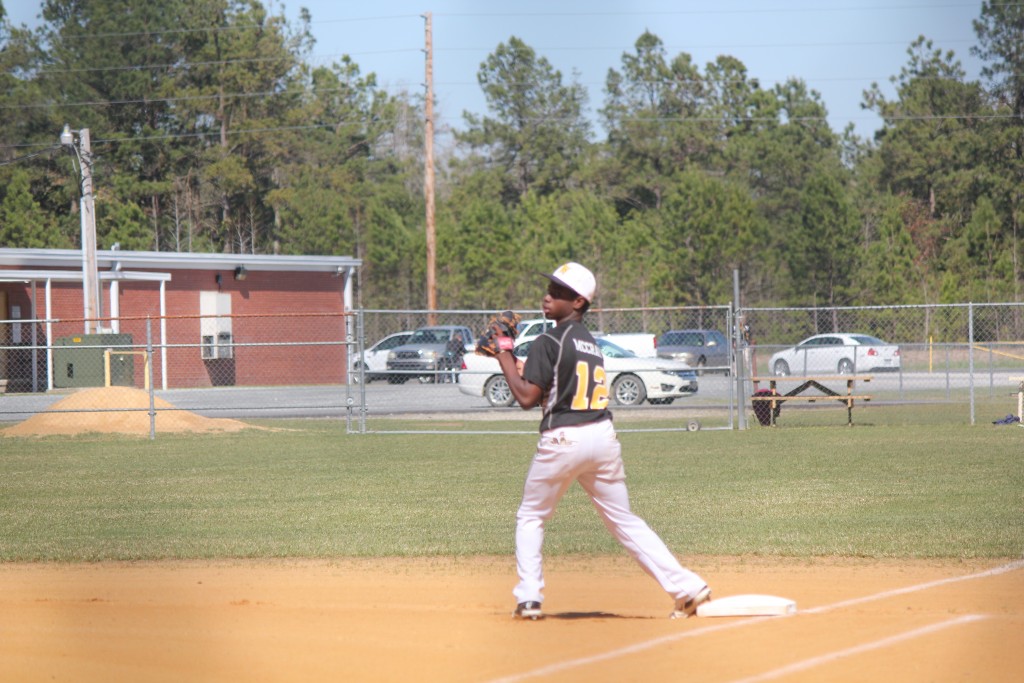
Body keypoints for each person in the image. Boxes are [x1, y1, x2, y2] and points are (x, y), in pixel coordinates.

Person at [491, 262, 711, 620]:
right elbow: (546, 379)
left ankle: (529, 598)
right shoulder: (589, 344)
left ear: (578, 302)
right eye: (550, 289)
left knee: (531, 515)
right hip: (603, 438)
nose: (548, 296)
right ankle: (687, 587)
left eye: (559, 293)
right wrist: (512, 356)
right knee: (624, 520)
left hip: (564, 439)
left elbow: (528, 397)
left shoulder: (549, 340)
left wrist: (502, 353)